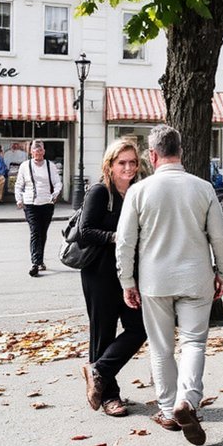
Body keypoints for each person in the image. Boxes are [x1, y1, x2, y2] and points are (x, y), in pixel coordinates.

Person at [116, 124, 223, 446]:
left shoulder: (139, 191)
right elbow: (220, 236)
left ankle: (168, 409)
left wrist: (127, 280)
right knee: (194, 342)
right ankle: (188, 400)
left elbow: (125, 242)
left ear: (152, 155)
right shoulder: (202, 188)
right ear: (180, 151)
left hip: (155, 280)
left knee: (161, 347)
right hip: (196, 277)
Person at [78, 139, 147, 417]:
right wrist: (117, 237)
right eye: (122, 163)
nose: (128, 167)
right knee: (103, 333)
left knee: (139, 327)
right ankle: (109, 396)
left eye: (132, 162)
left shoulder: (138, 191)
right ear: (110, 165)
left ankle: (99, 370)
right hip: (100, 273)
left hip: (130, 273)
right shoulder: (100, 192)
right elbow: (85, 232)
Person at [14, 140, 62, 277]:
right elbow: (19, 184)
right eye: (36, 151)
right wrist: (19, 199)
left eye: (40, 150)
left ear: (44, 152)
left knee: (43, 232)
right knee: (35, 232)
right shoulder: (25, 166)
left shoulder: (50, 166)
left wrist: (55, 194)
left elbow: (57, 183)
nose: (38, 153)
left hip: (47, 203)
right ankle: (35, 263)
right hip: (30, 203)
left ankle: (40, 260)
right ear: (31, 152)